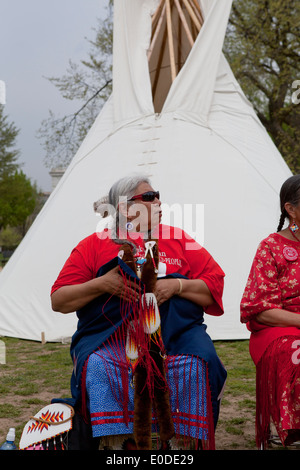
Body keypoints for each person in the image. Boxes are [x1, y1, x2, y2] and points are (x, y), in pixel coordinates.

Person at [51, 174, 226, 450]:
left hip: (176, 336)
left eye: (157, 194)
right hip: (112, 337)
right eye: (148, 196)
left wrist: (177, 285)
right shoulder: (94, 244)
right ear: (124, 208)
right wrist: (102, 284)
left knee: (200, 363)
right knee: (97, 365)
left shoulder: (180, 239)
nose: (158, 201)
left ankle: (182, 445)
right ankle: (118, 445)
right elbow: (59, 299)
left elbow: (213, 286)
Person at [240, 174, 300, 449]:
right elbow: (260, 310)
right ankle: (291, 429)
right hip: (277, 330)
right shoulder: (271, 247)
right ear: (290, 209)